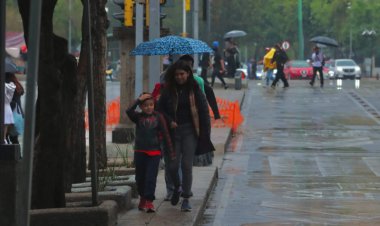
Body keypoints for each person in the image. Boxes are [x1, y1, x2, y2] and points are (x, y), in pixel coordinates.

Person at [158, 60, 215, 212]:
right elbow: (159, 109)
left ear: (188, 74)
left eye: (182, 74)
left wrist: (205, 135)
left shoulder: (195, 89)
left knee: (187, 166)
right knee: (172, 165)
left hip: (190, 131)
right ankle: (177, 188)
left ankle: (186, 198)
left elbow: (203, 112)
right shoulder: (168, 90)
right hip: (173, 133)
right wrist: (169, 121)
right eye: (176, 75)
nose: (179, 77)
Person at [126, 92, 175, 213]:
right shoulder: (138, 117)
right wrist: (138, 100)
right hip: (140, 152)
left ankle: (149, 201)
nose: (149, 107)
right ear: (141, 107)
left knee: (150, 177)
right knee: (140, 178)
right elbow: (128, 110)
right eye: (146, 105)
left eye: (151, 105)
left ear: (154, 105)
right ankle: (142, 197)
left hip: (154, 153)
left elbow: (166, 134)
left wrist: (171, 151)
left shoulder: (158, 117)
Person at [6, 72, 25, 144]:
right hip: (18, 114)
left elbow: (12, 103)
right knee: (14, 139)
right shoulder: (17, 84)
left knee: (5, 137)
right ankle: (18, 155)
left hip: (10, 116)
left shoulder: (8, 85)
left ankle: (8, 154)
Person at [3, 73, 16, 144]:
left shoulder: (3, 86)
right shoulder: (12, 86)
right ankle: (4, 139)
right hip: (8, 108)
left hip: (3, 108)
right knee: (5, 128)